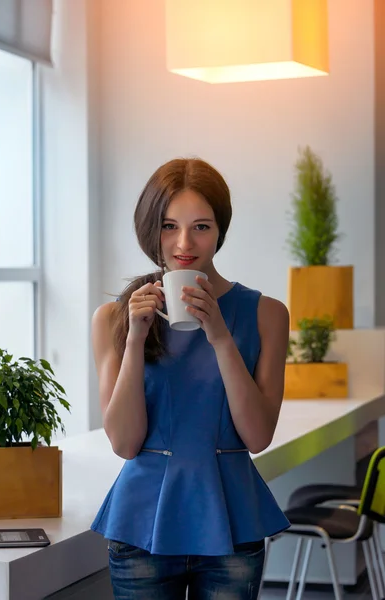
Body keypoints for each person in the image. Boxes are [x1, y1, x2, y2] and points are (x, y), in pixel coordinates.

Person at [91, 158, 290, 599]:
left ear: (221, 229)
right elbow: (124, 443)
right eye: (168, 225)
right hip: (142, 526)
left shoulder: (266, 314)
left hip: (232, 526)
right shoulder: (112, 318)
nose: (183, 242)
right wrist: (135, 340)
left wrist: (219, 336)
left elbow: (257, 436)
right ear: (150, 228)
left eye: (201, 226)